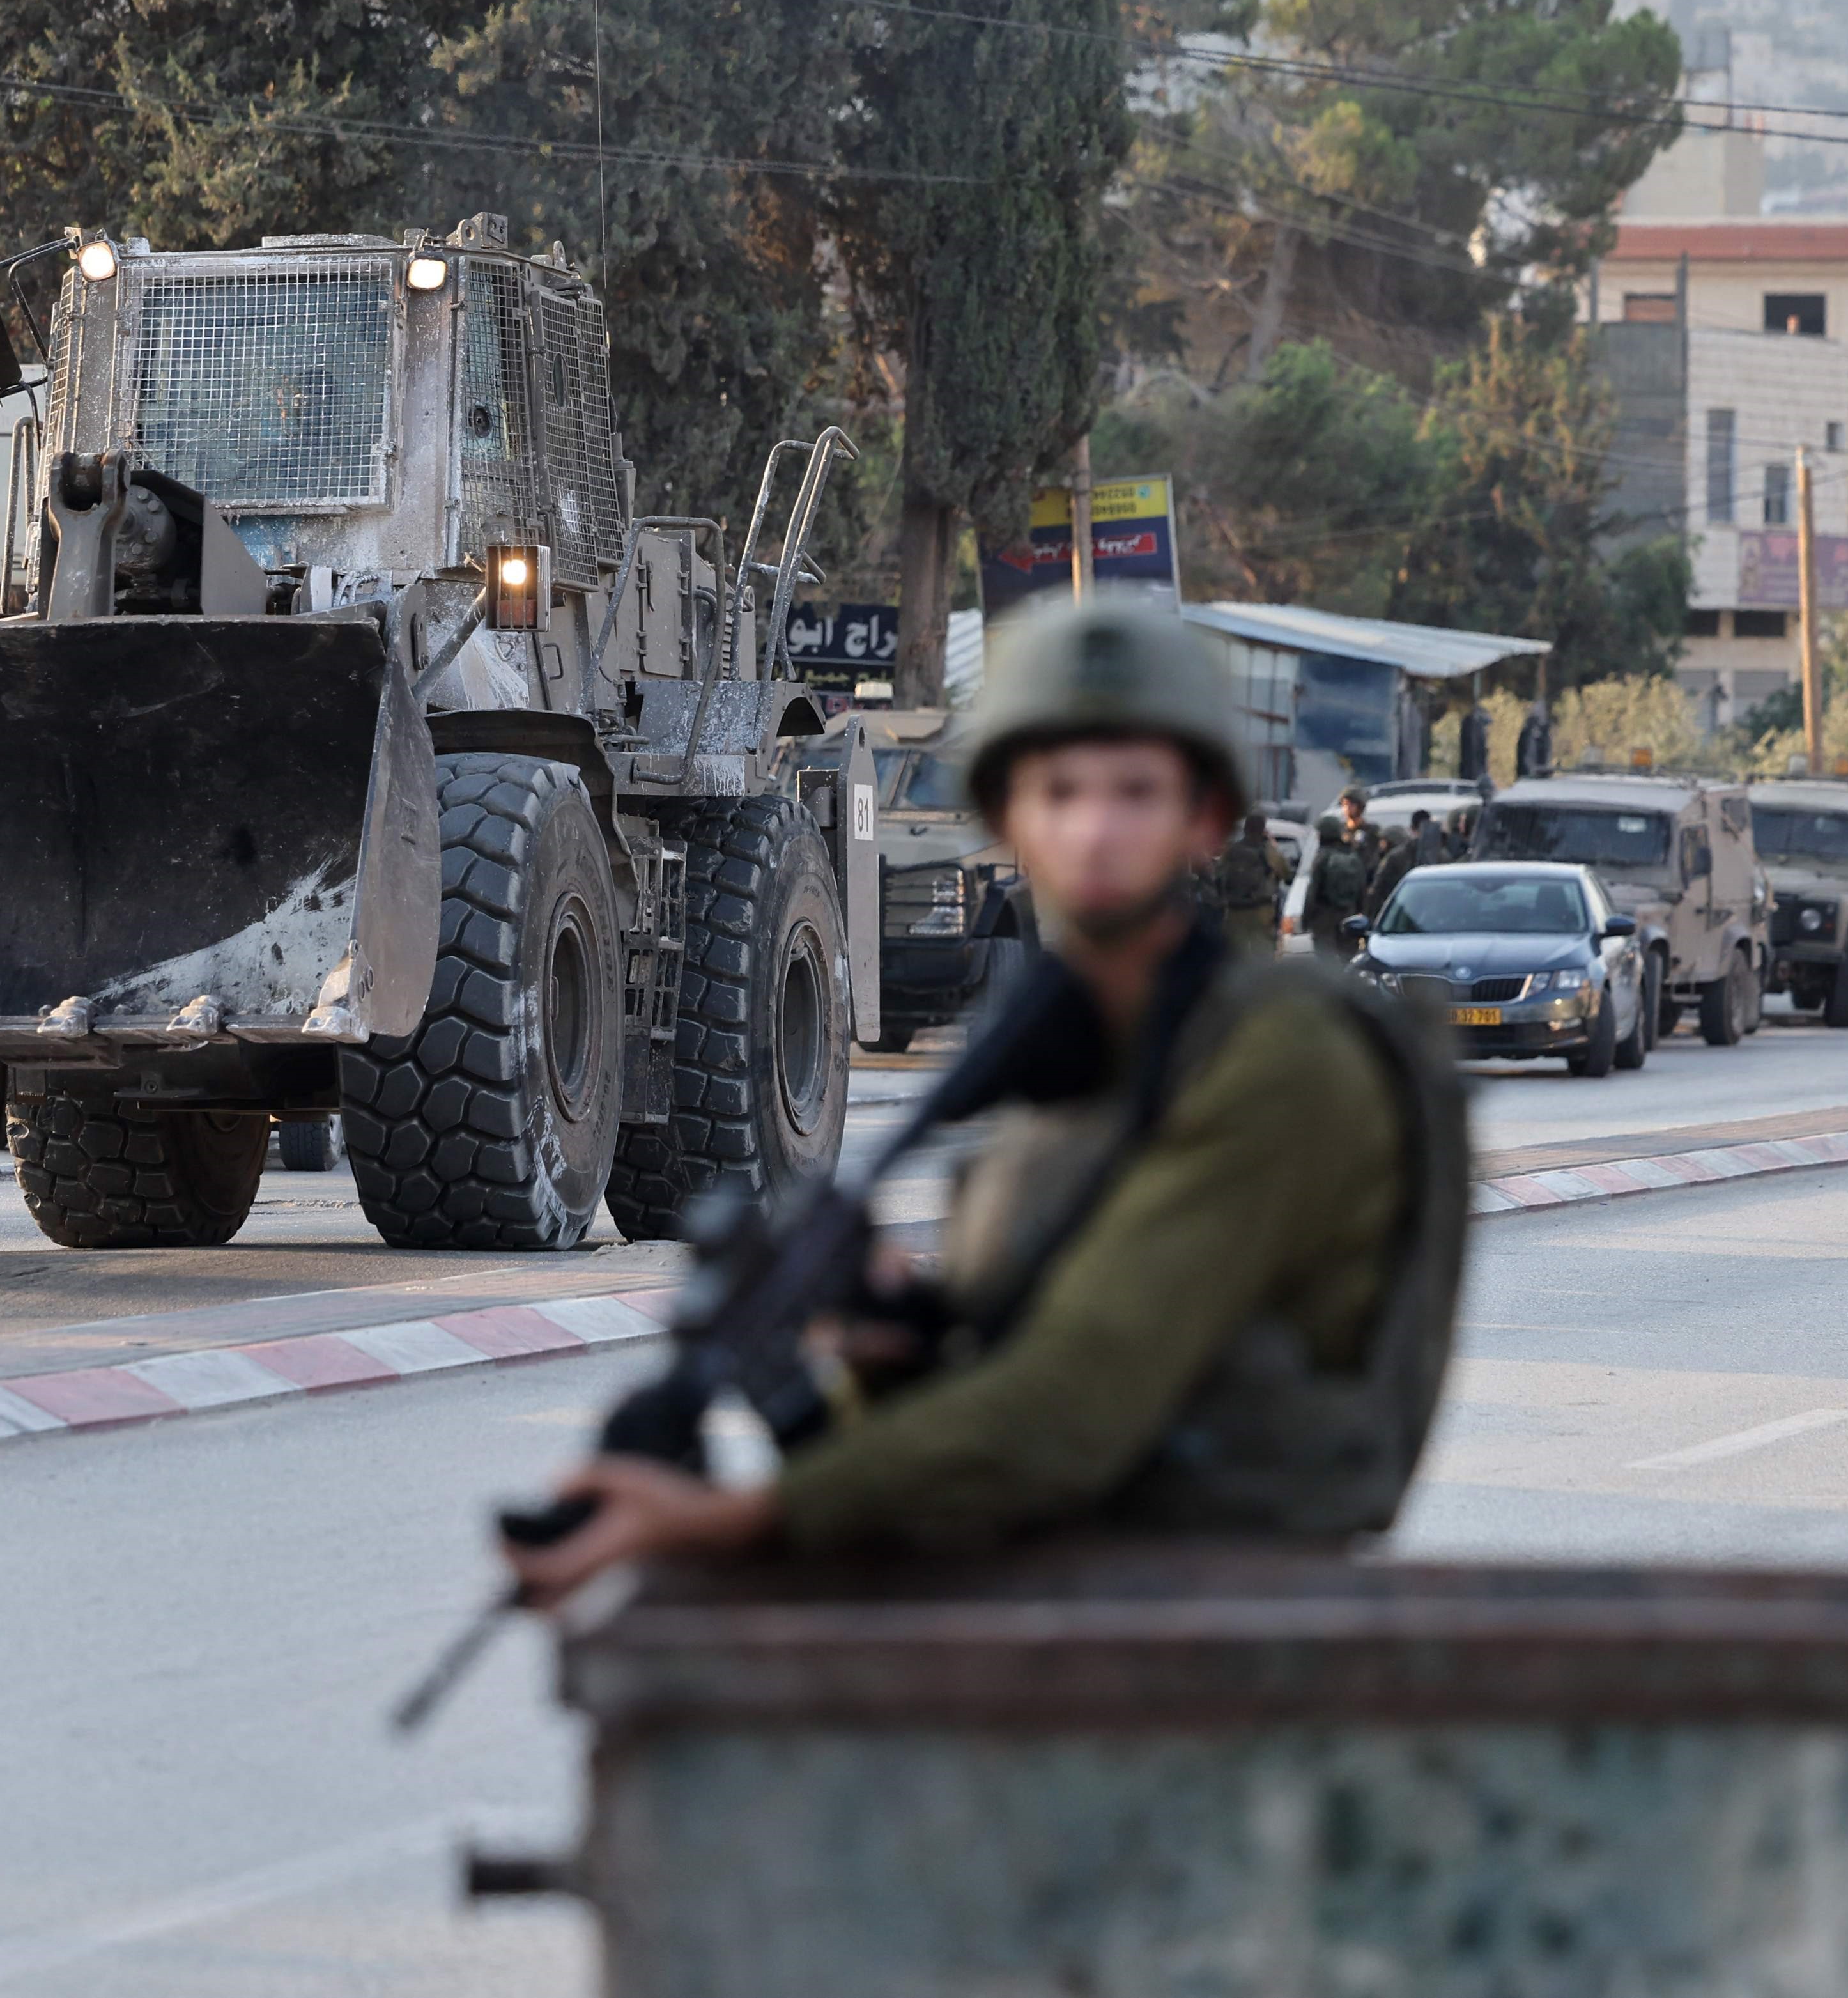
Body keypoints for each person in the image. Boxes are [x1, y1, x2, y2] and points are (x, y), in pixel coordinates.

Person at [502, 598, 1464, 1597]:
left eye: (1137, 791)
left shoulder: (1281, 1055)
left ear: (1205, 818)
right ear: (1007, 818)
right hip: (1067, 1584)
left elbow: (1072, 1405)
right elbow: (1020, 1377)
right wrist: (892, 1342)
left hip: (1224, 1612)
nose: (1095, 831)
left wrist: (741, 1517)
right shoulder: (1079, 1056)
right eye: (1059, 791)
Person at [1309, 815, 1372, 959]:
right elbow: (1362, 889)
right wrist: (1362, 913)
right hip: (1349, 915)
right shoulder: (1352, 856)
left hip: (1323, 918)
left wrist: (1307, 918)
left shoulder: (1322, 858)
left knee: (1326, 962)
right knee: (1349, 959)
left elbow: (1313, 890)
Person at [1217, 813, 1281, 954]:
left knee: (1235, 956)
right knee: (1263, 955)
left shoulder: (1232, 850)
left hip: (1235, 911)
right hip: (1261, 911)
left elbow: (1219, 875)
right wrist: (1273, 844)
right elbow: (1285, 872)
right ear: (1263, 829)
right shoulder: (1269, 851)